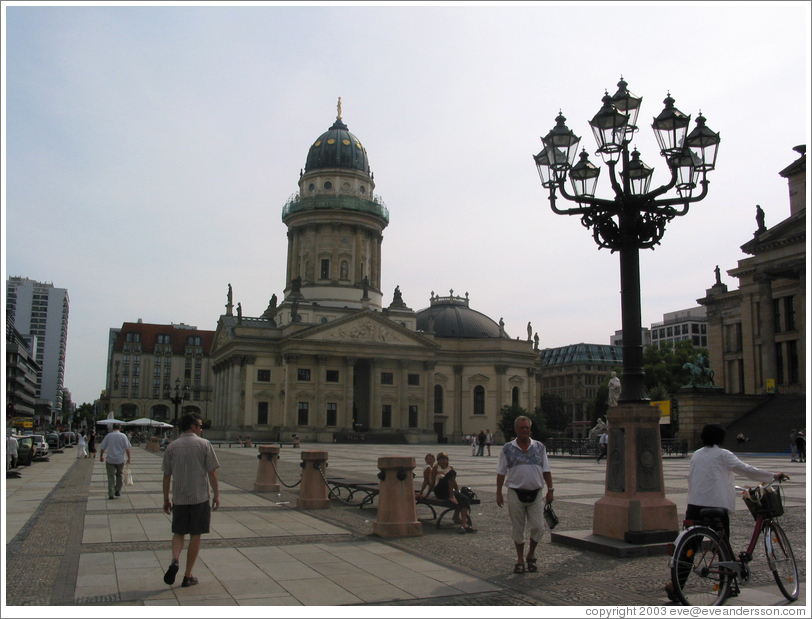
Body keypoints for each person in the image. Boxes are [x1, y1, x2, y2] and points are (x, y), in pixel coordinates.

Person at [665, 423, 786, 601]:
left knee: (689, 547)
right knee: (722, 546)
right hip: (716, 507)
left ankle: (676, 585)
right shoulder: (723, 454)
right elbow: (745, 469)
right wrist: (772, 476)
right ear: (720, 438)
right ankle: (725, 585)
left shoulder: (696, 455)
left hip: (694, 505)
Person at [162, 413, 220, 588]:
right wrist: (216, 495)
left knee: (179, 532)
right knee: (196, 535)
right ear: (193, 426)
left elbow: (166, 476)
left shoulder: (172, 447)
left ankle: (174, 559)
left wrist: (166, 499)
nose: (202, 429)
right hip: (199, 497)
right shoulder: (204, 444)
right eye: (200, 426)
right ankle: (187, 575)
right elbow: (212, 472)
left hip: (179, 497)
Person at [496, 415, 554, 574]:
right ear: (516, 429)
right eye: (521, 428)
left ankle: (531, 554)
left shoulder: (539, 447)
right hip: (515, 492)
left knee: (538, 527)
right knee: (518, 528)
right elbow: (501, 472)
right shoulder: (507, 448)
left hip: (536, 493)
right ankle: (520, 559)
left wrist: (550, 489)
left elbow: (546, 470)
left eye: (527, 428)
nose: (524, 430)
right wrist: (498, 493)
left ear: (530, 429)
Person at [427, 452, 475, 534]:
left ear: (447, 460)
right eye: (441, 459)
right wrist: (426, 494)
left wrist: (457, 491)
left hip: (448, 491)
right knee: (451, 473)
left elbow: (453, 481)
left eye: (444, 459)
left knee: (464, 498)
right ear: (438, 461)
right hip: (439, 490)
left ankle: (463, 524)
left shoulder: (450, 467)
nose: (443, 461)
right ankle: (452, 496)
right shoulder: (436, 467)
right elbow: (432, 483)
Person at [99, 423, 132, 499]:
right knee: (119, 475)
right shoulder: (123, 436)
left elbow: (103, 447)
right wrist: (129, 458)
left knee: (110, 476)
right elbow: (127, 448)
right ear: (120, 428)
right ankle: (117, 490)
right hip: (120, 459)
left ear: (113, 428)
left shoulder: (108, 436)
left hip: (110, 459)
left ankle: (111, 493)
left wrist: (101, 456)